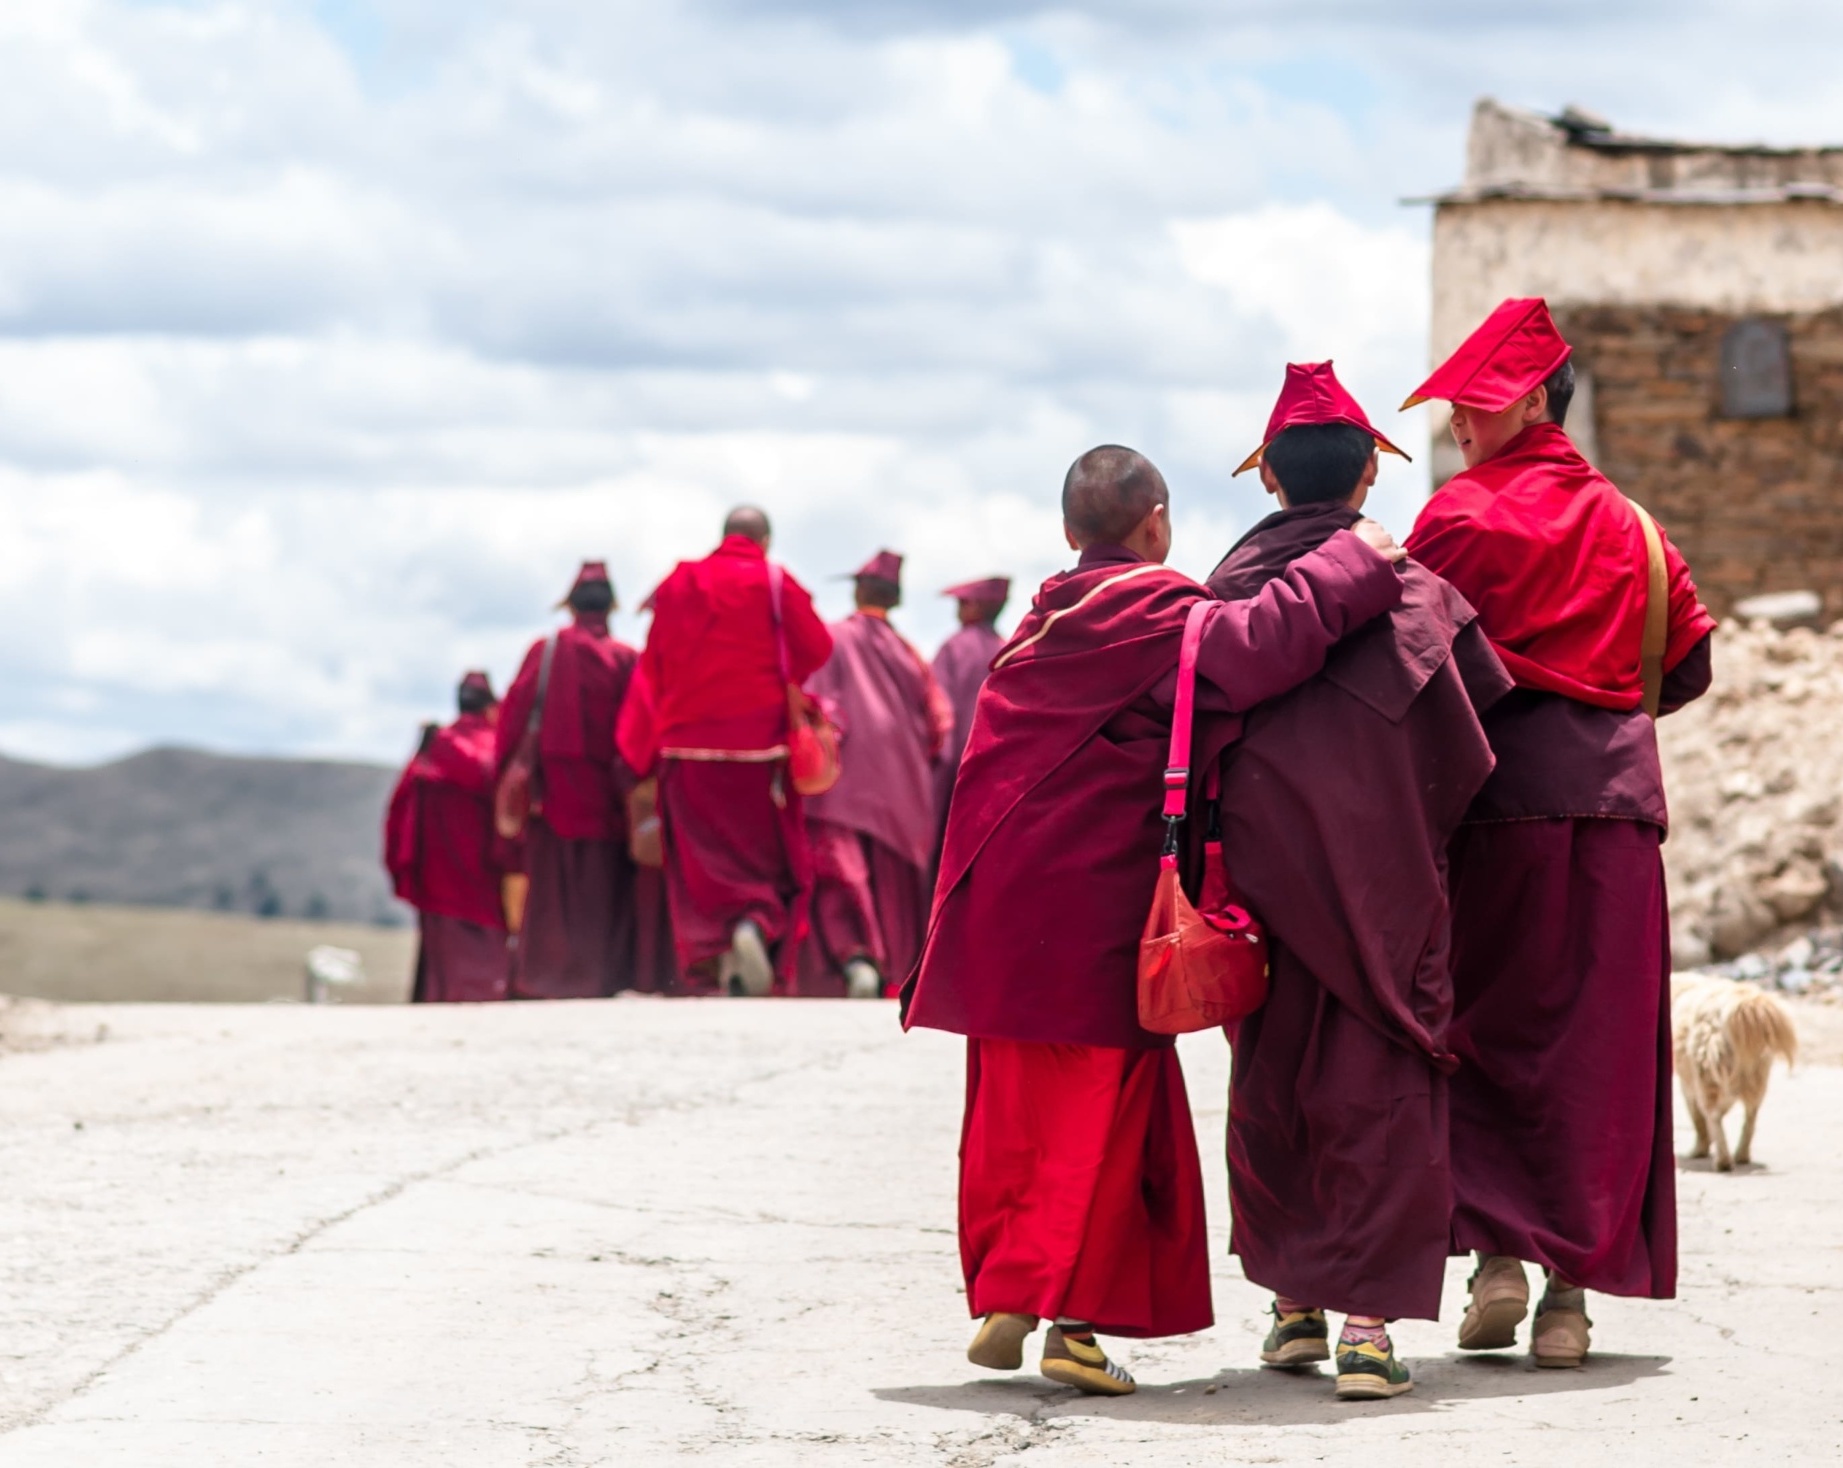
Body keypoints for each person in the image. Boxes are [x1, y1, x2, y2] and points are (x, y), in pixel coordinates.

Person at [903, 444, 1407, 1396]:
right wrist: (1355, 562)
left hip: (996, 908)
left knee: (1016, 1108)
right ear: (1157, 525)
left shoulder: (1042, 618)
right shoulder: (1149, 610)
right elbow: (1257, 646)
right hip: (1084, 908)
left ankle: (1014, 1286)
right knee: (1105, 1110)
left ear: (1067, 535)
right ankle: (1072, 1325)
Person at [1402, 298, 1717, 1368]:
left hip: (1492, 807)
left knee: (1487, 1028)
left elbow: (1408, 663)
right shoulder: (1637, 526)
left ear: (1534, 397)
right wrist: (1597, 708)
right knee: (1596, 1048)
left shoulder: (1455, 517)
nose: (1453, 421)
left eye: (1470, 401)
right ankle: (1568, 1299)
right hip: (1618, 812)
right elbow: (1685, 663)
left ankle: (1493, 1258)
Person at [1206, 362, 1513, 1400]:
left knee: (1273, 1075)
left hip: (1262, 889)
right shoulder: (1416, 591)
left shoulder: (1225, 592)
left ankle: (1291, 1306)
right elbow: (1476, 741)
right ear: (1367, 482)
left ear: (1269, 481)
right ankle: (1366, 1328)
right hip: (1386, 888)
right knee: (1379, 1085)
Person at [618, 507, 833, 995]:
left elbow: (654, 663)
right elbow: (818, 647)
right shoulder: (775, 582)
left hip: (685, 744)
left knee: (699, 856)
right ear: (765, 540)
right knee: (765, 852)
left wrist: (643, 745)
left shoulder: (678, 582)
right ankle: (755, 922)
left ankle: (717, 950)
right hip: (760, 747)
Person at [799, 551, 952, 998]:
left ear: (859, 591)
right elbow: (940, 726)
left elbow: (811, 702)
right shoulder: (910, 655)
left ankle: (853, 956)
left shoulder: (831, 638)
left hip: (839, 786)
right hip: (903, 794)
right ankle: (891, 971)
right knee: (891, 887)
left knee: (839, 876)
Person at [497, 561, 651, 999]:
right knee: (603, 886)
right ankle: (602, 977)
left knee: (553, 890)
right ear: (612, 607)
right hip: (606, 797)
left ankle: (546, 977)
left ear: (570, 605)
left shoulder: (544, 653)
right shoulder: (626, 659)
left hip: (554, 798)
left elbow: (512, 722)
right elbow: (638, 729)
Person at [384, 672, 512, 1003]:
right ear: (491, 706)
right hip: (483, 871)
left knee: (447, 949)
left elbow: (400, 810)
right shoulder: (495, 746)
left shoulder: (434, 747)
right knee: (484, 944)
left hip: (437, 877)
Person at [929, 577, 1009, 849]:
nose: (958, 611)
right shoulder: (1009, 649)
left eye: (962, 603)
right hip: (998, 767)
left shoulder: (954, 647)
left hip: (954, 767)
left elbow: (935, 709)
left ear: (976, 606)